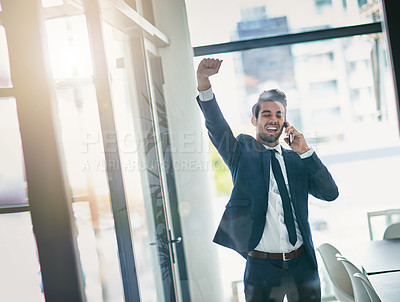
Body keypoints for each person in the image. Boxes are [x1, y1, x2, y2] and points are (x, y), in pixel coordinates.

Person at [196, 58, 339, 302]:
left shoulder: (297, 161)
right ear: (255, 120)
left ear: (284, 123)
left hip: (302, 264)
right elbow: (217, 127)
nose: (273, 119)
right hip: (262, 269)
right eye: (266, 114)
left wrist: (305, 152)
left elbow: (330, 193)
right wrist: (203, 83)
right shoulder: (242, 153)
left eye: (278, 115)